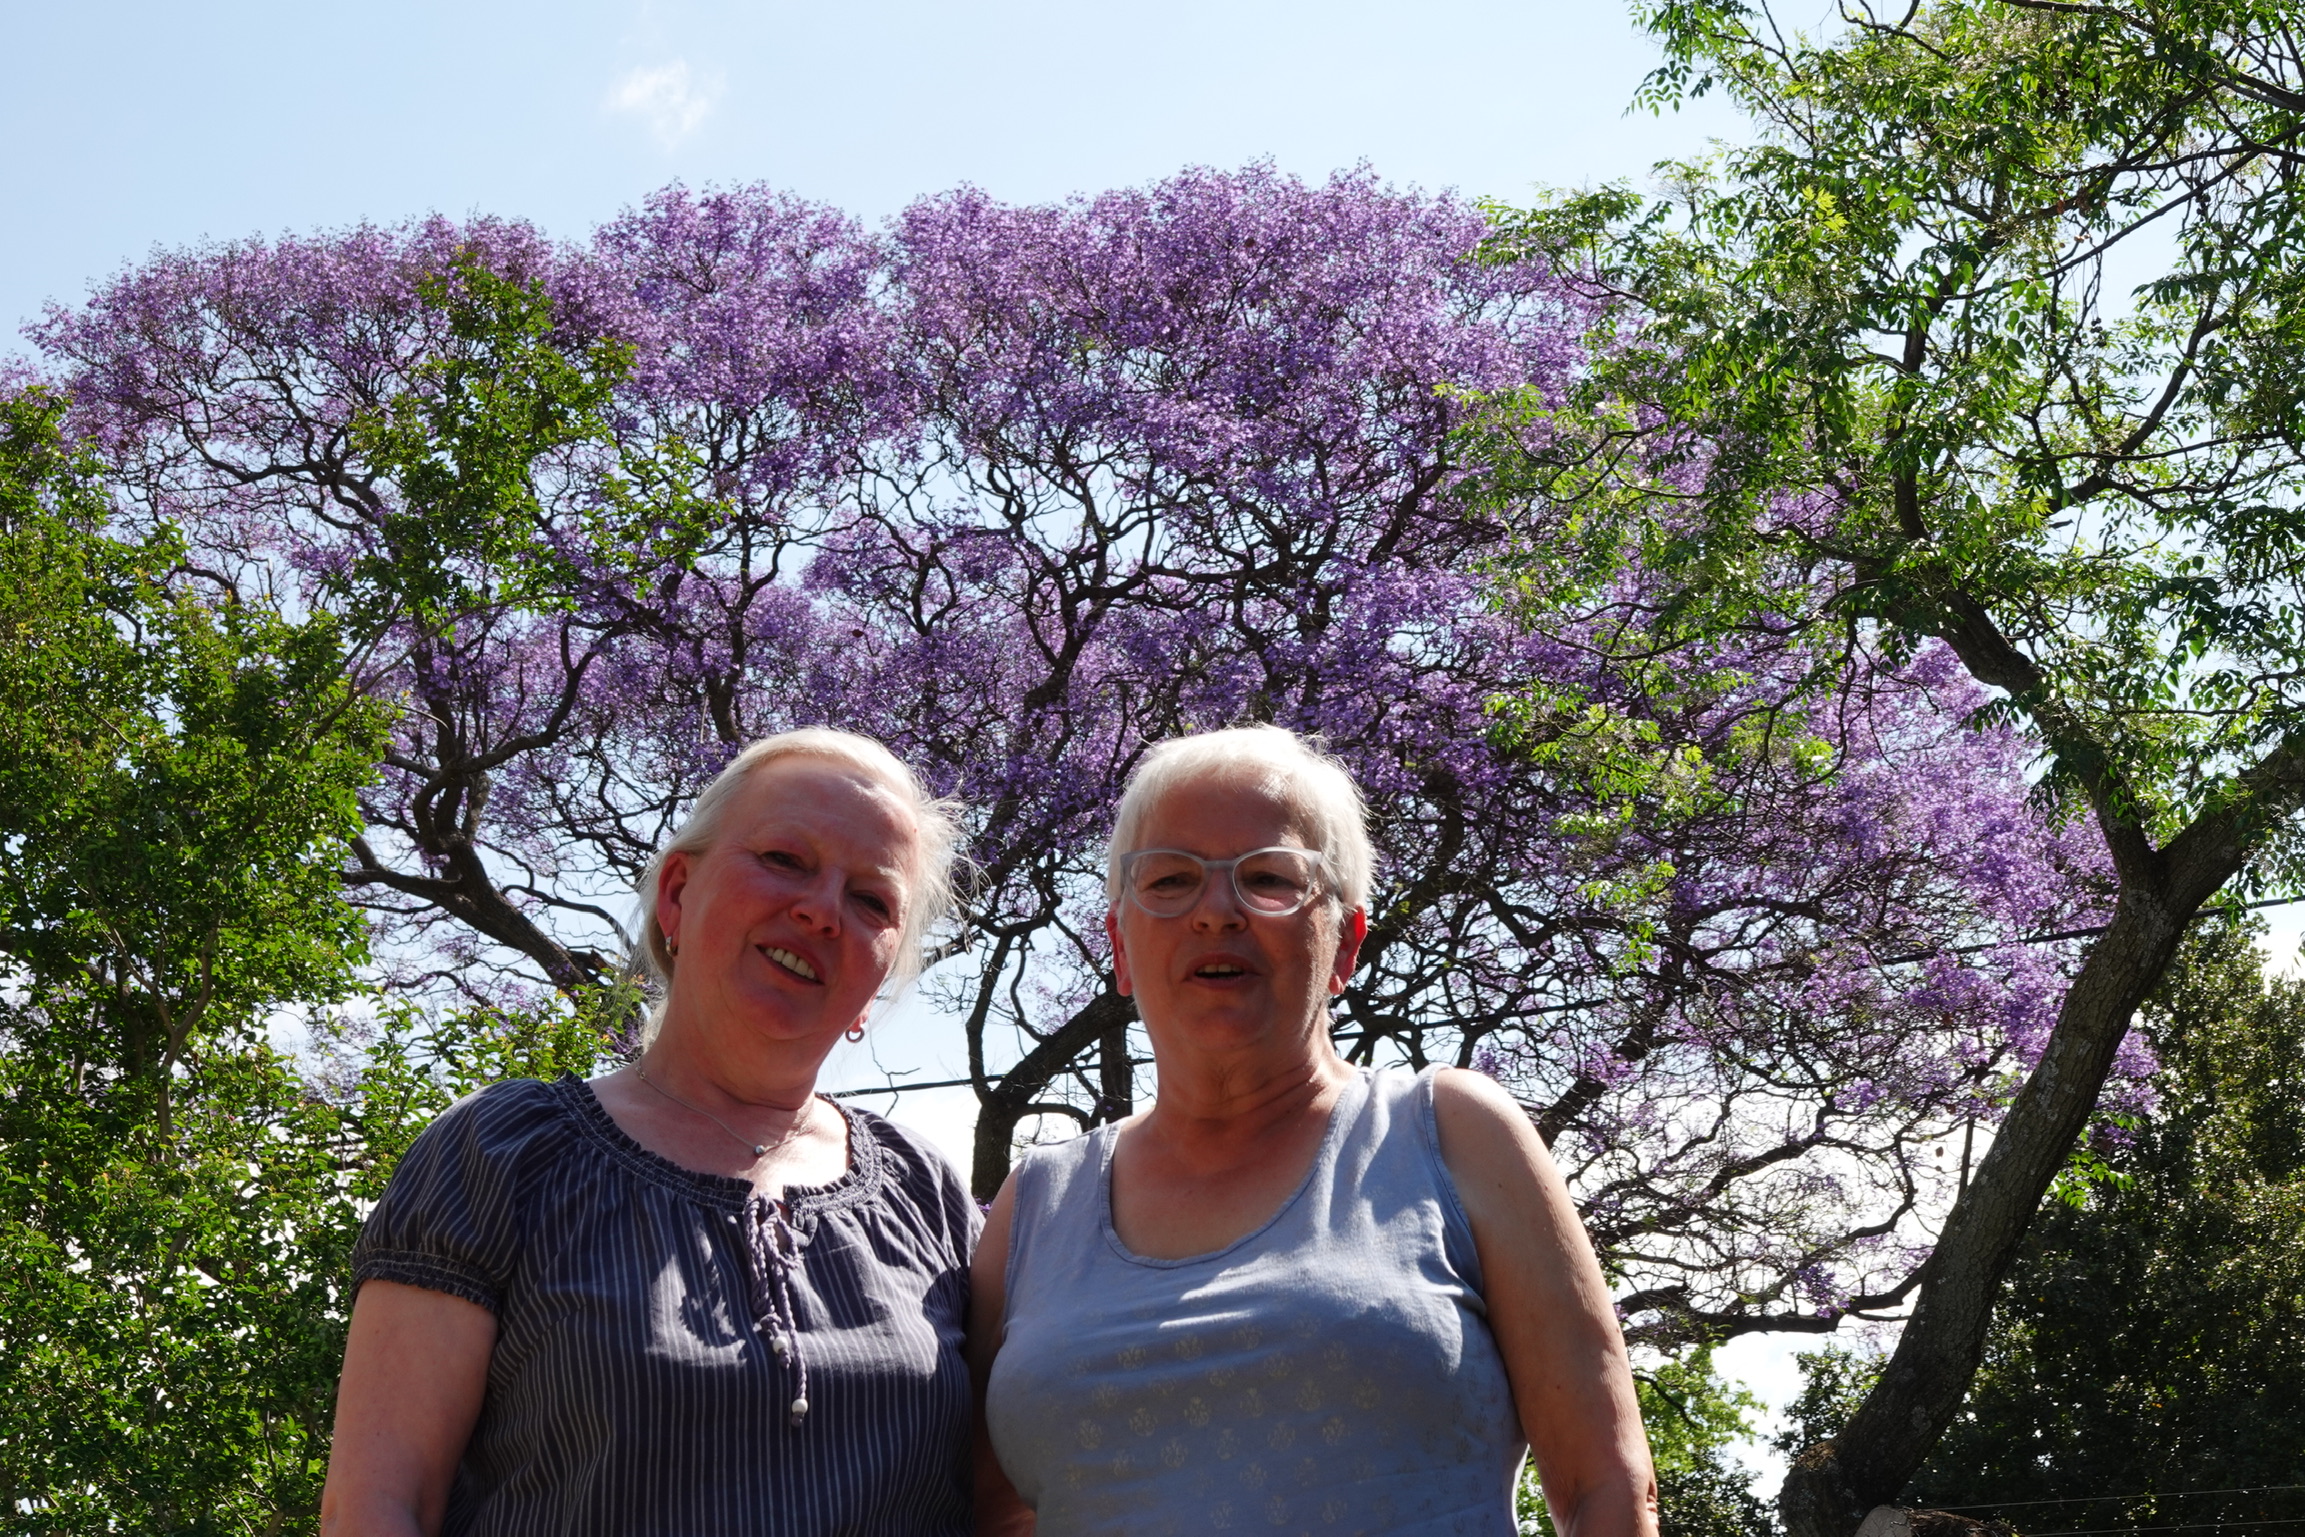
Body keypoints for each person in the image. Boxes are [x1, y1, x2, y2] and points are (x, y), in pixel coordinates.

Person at [970, 726, 1658, 1537]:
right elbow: (985, 1513)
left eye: (1268, 877)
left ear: (1345, 942)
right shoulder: (1036, 1205)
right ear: (1120, 946)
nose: (1215, 912)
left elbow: (1605, 1485)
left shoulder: (1452, 1132)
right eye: (1170, 879)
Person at [321, 728, 979, 1537]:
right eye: (784, 858)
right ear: (676, 893)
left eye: (871, 901)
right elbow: (377, 1507)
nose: (820, 910)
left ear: (879, 981)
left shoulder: (929, 1197)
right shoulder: (501, 1154)